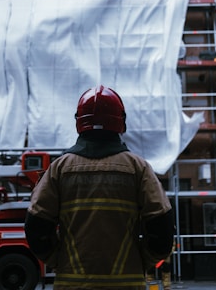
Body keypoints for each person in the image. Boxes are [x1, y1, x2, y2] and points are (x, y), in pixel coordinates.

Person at [25, 85, 174, 290]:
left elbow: (36, 227)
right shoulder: (138, 169)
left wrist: (58, 260)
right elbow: (162, 228)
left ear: (79, 121)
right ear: (120, 121)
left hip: (72, 284)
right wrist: (140, 261)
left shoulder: (59, 169)